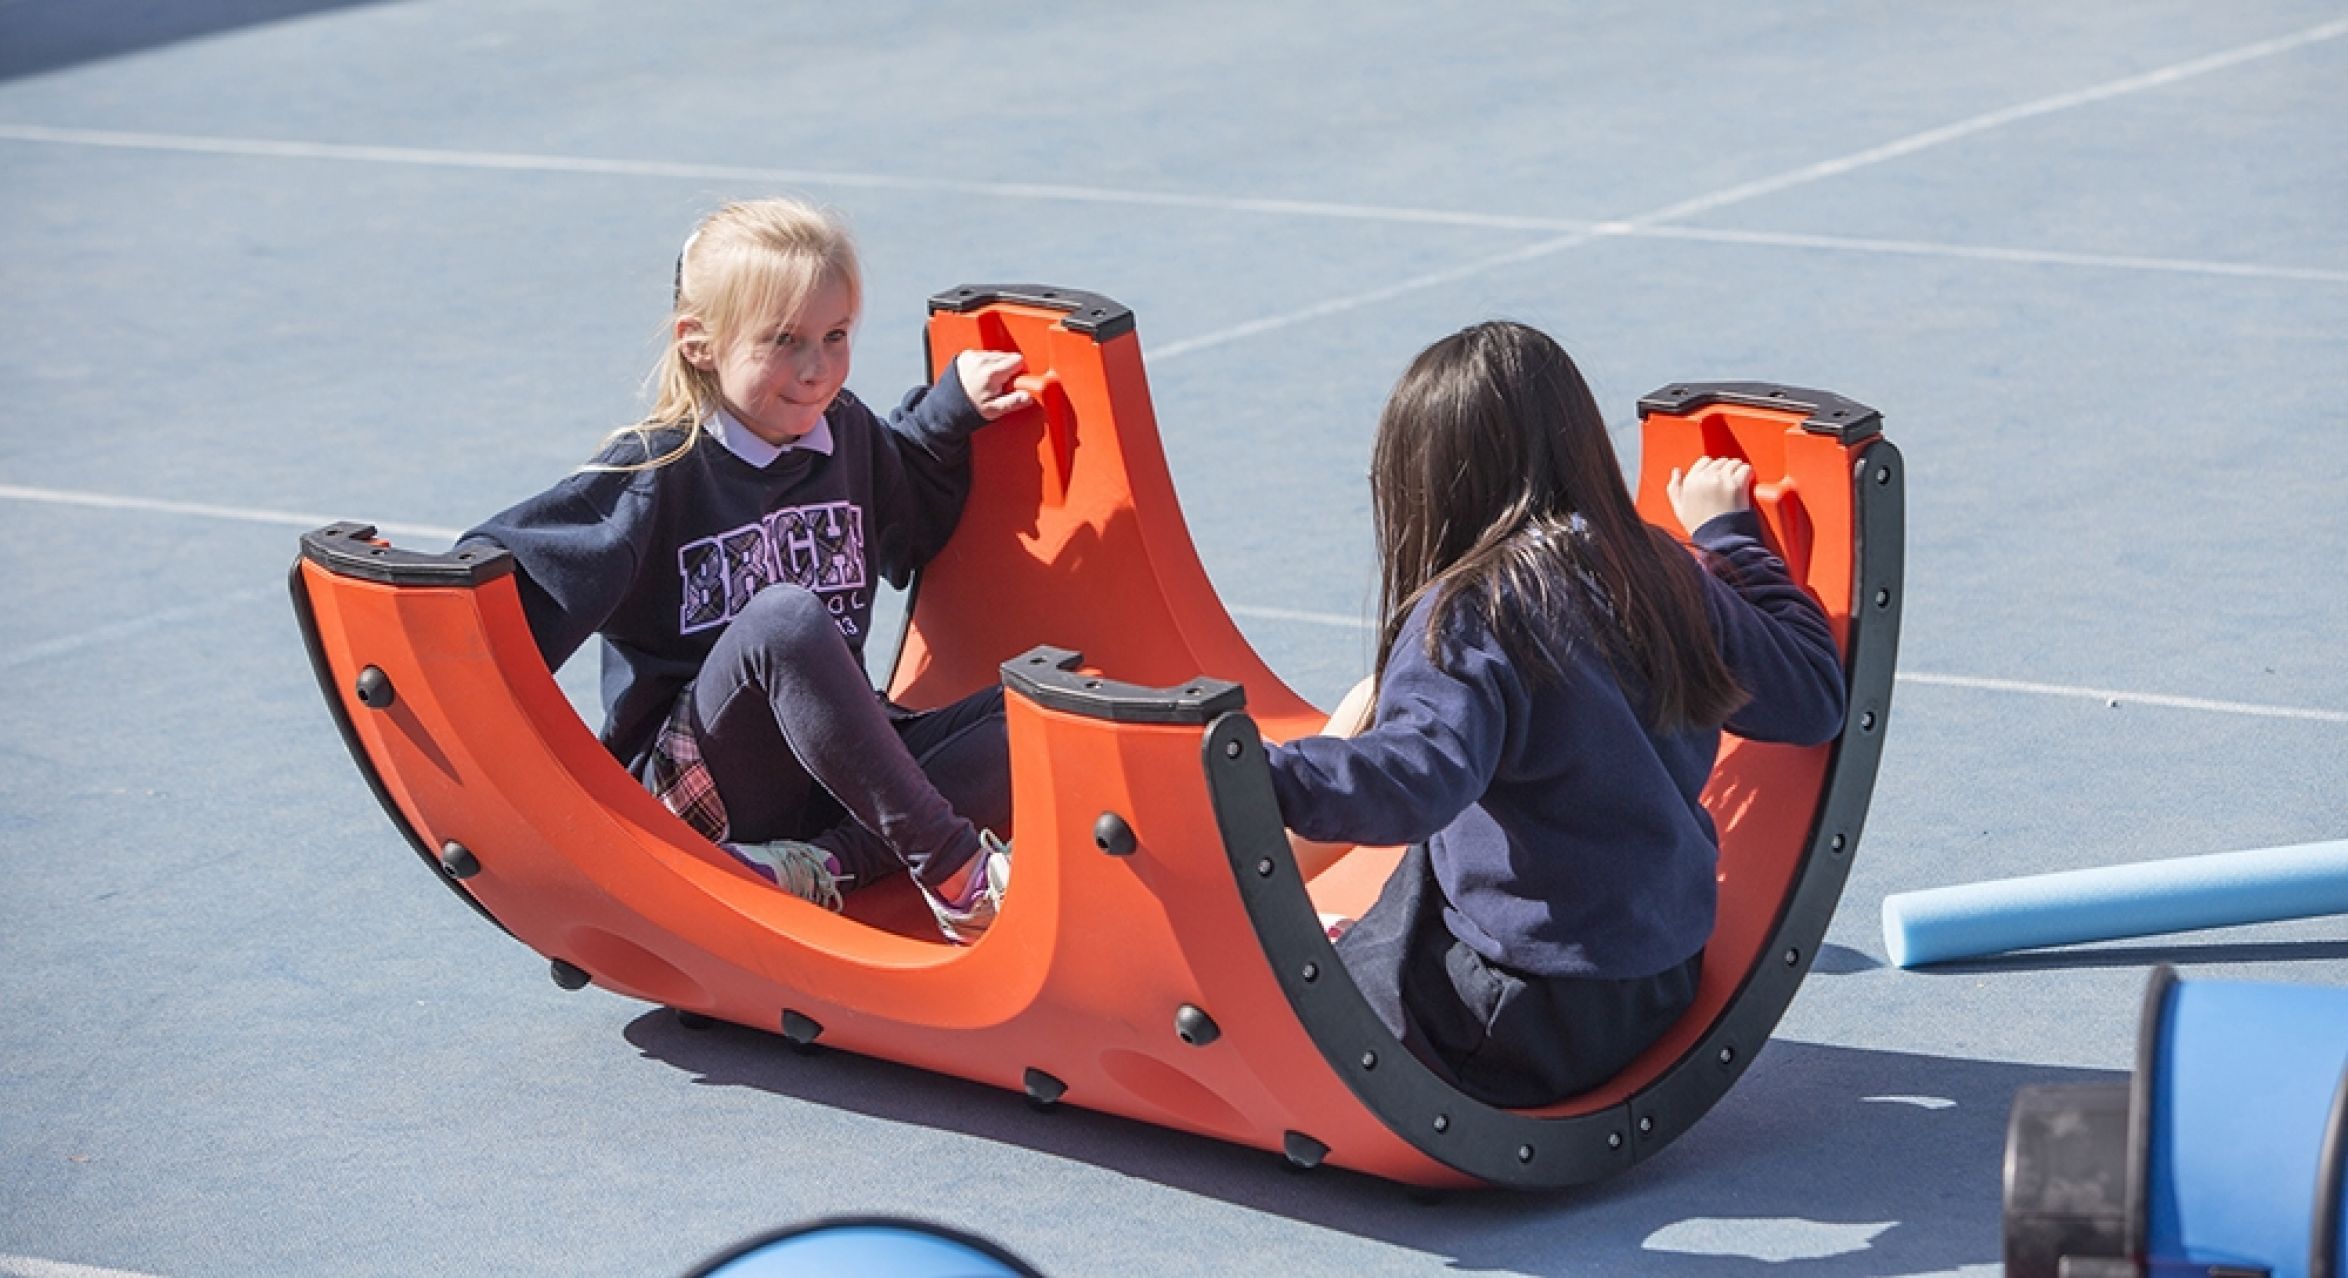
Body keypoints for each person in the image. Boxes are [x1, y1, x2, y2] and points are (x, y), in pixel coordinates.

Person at [1265, 321, 1847, 1106]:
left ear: (1422, 478)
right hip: (1658, 987)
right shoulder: (1665, 569)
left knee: (1271, 1002)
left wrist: (1248, 766)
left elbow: (1416, 780)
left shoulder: (1471, 614)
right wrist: (1732, 540)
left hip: (1514, 1021)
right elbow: (1813, 696)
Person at [460, 197, 1027, 943]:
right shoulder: (657, 469)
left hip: (831, 779)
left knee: (1039, 714)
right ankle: (956, 875)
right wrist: (410, 600)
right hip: (704, 790)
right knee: (784, 619)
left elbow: (911, 512)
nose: (816, 368)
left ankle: (819, 865)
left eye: (836, 335)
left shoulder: (847, 433)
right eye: (783, 340)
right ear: (700, 343)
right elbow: (514, 578)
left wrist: (951, 410)